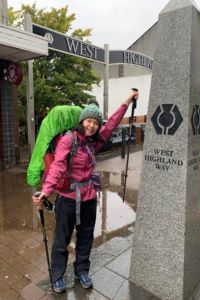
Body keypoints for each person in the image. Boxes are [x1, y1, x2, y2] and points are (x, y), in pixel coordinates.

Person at [32, 90, 139, 293]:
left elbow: (113, 123)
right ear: (83, 121)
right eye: (89, 121)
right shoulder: (68, 140)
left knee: (86, 238)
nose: (91, 126)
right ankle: (57, 276)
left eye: (95, 123)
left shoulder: (94, 142)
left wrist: (126, 101)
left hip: (89, 199)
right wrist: (46, 190)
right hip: (67, 200)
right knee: (62, 241)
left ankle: (82, 270)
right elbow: (58, 167)